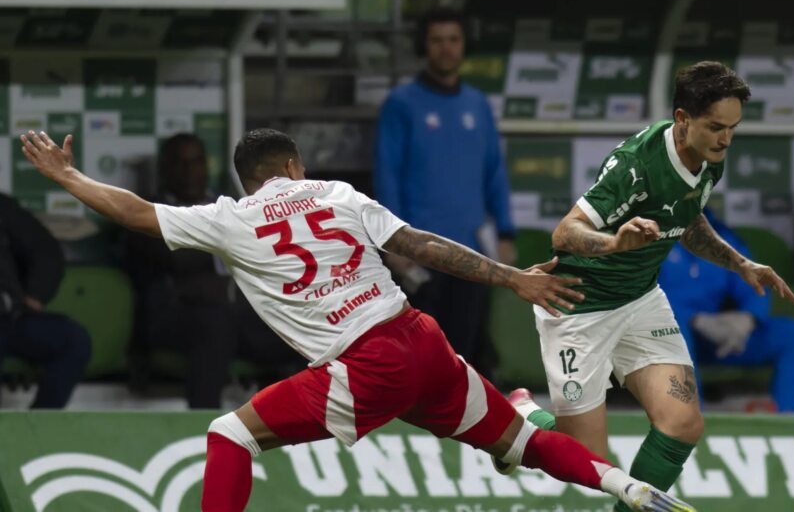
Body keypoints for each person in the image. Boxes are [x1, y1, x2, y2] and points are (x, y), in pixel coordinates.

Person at [20, 128, 696, 512]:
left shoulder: (228, 216)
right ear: (293, 168)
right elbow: (423, 246)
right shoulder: (337, 192)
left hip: (366, 363)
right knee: (518, 440)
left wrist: (69, 175)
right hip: (421, 337)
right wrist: (515, 277)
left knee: (230, 434)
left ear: (251, 176)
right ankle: (627, 484)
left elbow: (136, 210)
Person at [499, 62, 794, 512]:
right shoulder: (635, 169)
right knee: (586, 462)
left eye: (733, 128)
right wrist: (616, 241)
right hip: (582, 304)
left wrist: (740, 264)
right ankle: (522, 417)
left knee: (682, 422)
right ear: (682, 120)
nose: (726, 139)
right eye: (716, 127)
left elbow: (689, 218)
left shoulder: (710, 156)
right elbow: (565, 233)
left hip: (640, 300)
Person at [375, 6, 515, 373]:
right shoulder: (401, 104)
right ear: (425, 45)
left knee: (466, 353)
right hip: (420, 249)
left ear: (464, 44)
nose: (446, 48)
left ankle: (463, 429)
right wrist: (394, 240)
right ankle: (419, 429)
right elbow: (387, 173)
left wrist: (505, 231)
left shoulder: (477, 104)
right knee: (421, 355)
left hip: (471, 250)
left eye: (453, 39)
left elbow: (494, 172)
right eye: (437, 40)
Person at [126, 133, 303, 408]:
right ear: (164, 169)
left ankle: (309, 420)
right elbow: (176, 258)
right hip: (176, 317)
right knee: (215, 322)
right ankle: (203, 426)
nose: (189, 171)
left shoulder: (231, 206)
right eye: (180, 163)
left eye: (196, 162)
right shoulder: (147, 211)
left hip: (240, 316)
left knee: (305, 328)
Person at [658, 208, 794, 413]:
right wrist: (694, 320)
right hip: (662, 340)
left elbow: (752, 284)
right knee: (674, 331)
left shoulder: (721, 235)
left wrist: (747, 319)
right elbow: (636, 294)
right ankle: (690, 428)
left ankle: (784, 424)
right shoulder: (640, 232)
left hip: (713, 339)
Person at [0, 192, 90, 408]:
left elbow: (46, 250)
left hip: (9, 317)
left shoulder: (3, 209)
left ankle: (37, 429)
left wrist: (36, 294)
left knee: (72, 340)